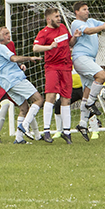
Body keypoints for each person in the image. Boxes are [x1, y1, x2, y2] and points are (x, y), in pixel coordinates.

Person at [69, 2, 105, 140]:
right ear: (77, 12)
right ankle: (90, 103)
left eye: (88, 9)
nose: (87, 11)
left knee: (87, 91)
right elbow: (88, 31)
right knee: (102, 75)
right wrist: (103, 27)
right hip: (80, 57)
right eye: (84, 9)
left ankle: (82, 124)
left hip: (90, 59)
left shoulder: (92, 21)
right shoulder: (76, 23)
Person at [0, 26, 44, 144]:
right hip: (15, 79)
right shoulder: (0, 47)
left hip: (7, 84)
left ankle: (19, 138)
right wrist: (29, 58)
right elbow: (14, 58)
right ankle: (25, 125)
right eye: (0, 31)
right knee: (38, 99)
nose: (2, 33)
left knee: (24, 107)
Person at [33, 8, 76, 144]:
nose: (59, 18)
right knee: (51, 96)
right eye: (56, 16)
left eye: (59, 16)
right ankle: (46, 130)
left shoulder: (63, 28)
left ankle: (67, 132)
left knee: (66, 98)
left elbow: (70, 43)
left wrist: (75, 37)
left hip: (66, 67)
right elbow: (35, 48)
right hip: (52, 67)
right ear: (48, 19)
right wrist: (49, 47)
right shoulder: (44, 32)